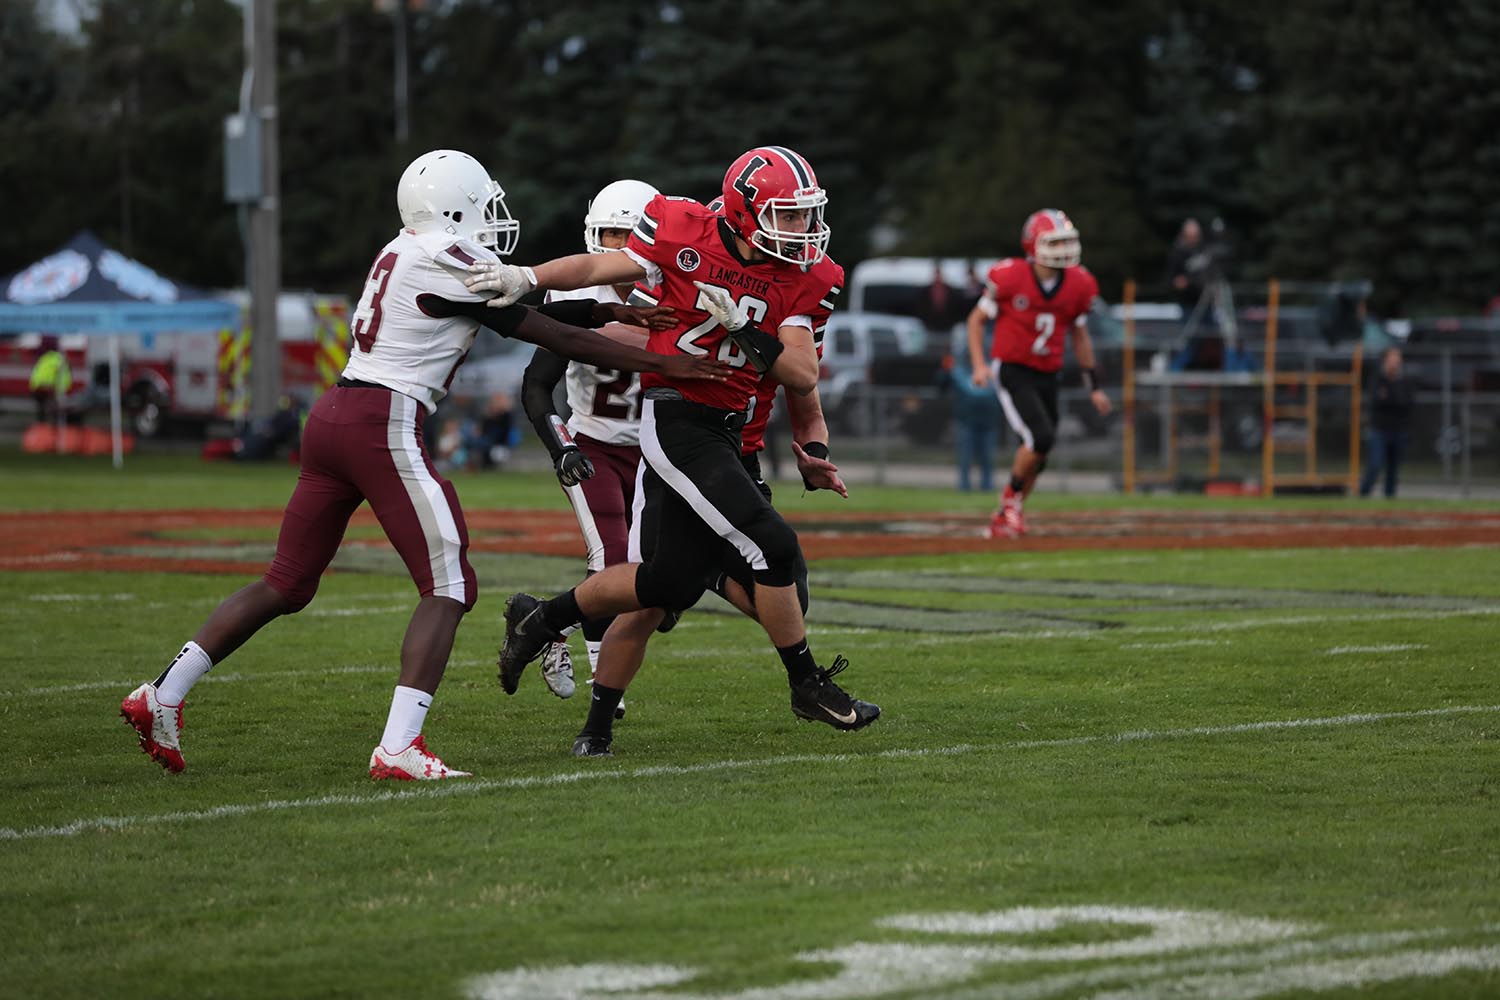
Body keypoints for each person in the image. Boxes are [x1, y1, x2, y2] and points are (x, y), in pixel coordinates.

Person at [119, 148, 725, 780]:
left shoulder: (403, 249)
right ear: (457, 205)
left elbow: (522, 314)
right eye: (484, 204)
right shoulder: (448, 255)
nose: (493, 216)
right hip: (383, 420)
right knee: (450, 586)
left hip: (333, 414)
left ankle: (162, 692)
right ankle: (399, 746)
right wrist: (666, 362)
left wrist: (613, 310)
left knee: (286, 583)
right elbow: (547, 333)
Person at [466, 145, 879, 750]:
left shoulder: (809, 276)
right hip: (678, 420)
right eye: (788, 215)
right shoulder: (682, 229)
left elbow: (800, 374)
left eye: (805, 214)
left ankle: (548, 632)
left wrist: (746, 333)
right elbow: (596, 268)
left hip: (735, 436)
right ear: (744, 212)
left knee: (665, 585)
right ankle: (807, 684)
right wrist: (526, 278)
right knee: (774, 546)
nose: (804, 229)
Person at [559, 242, 847, 757]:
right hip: (687, 447)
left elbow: (806, 395)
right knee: (658, 598)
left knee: (785, 600)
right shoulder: (701, 271)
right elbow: (622, 329)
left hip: (742, 458)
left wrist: (815, 454)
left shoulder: (788, 309)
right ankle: (597, 725)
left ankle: (544, 616)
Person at [520, 178, 662, 712]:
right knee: (612, 558)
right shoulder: (578, 295)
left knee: (657, 582)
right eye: (610, 234)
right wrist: (560, 447)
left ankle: (543, 619)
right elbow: (537, 383)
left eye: (631, 235)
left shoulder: (677, 290)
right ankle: (607, 692)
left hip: (658, 452)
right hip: (594, 446)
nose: (619, 249)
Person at [966, 209, 1111, 539]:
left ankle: (1009, 513)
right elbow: (976, 320)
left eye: (1065, 241)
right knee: (1039, 437)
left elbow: (1080, 335)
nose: (1062, 249)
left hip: (1049, 372)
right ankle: (1008, 505)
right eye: (1054, 242)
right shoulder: (1011, 276)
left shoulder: (1078, 284)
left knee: (1041, 452)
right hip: (1014, 369)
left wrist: (1094, 385)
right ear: (1034, 244)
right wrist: (979, 364)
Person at [948, 326, 1000, 492]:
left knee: (987, 458)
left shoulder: (991, 363)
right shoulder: (962, 366)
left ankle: (987, 486)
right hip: (967, 420)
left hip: (988, 421)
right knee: (965, 458)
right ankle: (964, 487)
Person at [1359, 346, 1415, 498]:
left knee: (1394, 467)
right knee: (1375, 463)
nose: (1395, 362)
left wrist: (1389, 398)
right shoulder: (1377, 379)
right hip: (1379, 428)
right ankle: (1363, 493)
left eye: (1397, 359)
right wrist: (1394, 401)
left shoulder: (1405, 380)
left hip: (1399, 429)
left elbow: (1407, 403)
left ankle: (1389, 497)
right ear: (1385, 361)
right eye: (1392, 359)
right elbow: (1376, 402)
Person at [28, 335, 71, 424]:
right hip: (49, 390)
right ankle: (47, 425)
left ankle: (46, 425)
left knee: (47, 409)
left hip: (46, 389)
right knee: (49, 409)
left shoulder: (48, 358)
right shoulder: (56, 358)